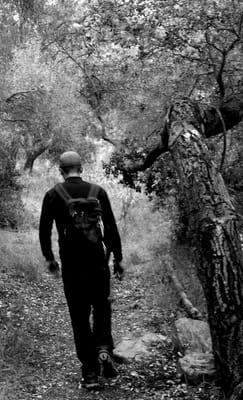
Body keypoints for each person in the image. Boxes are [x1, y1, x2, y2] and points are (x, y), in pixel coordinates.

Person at [39, 150, 124, 389]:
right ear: (81, 168)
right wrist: (118, 259)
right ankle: (104, 349)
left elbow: (44, 230)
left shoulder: (53, 194)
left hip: (73, 268)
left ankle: (90, 373)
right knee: (102, 308)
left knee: (79, 317)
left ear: (61, 170)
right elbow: (111, 228)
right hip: (98, 263)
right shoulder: (98, 192)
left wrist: (50, 259)